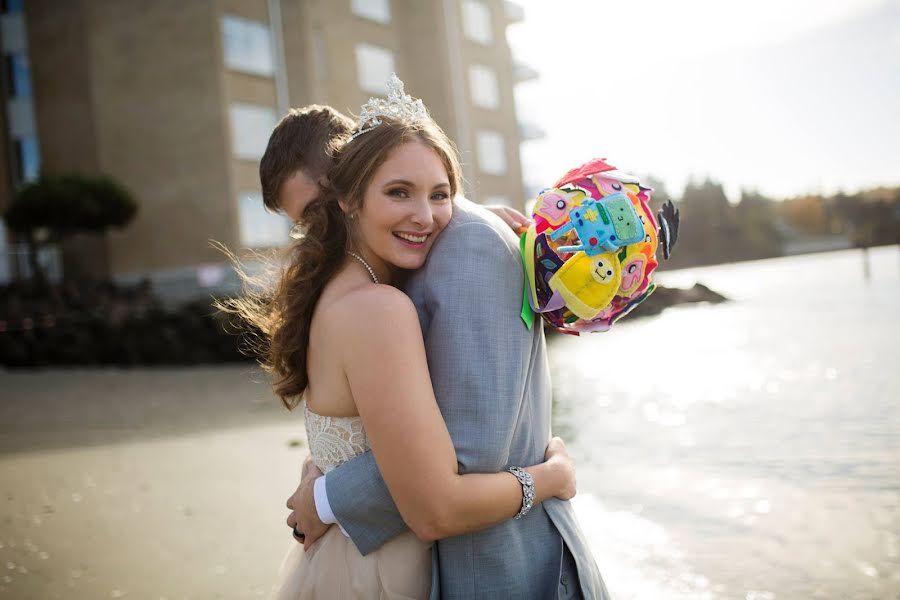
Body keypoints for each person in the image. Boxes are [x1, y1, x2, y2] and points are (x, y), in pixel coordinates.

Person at [231, 76, 583, 599]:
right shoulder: (372, 305)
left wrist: (326, 488)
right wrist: (551, 477)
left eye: (437, 194)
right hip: (378, 569)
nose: (321, 227)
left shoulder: (388, 278)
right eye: (307, 220)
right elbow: (442, 490)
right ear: (356, 195)